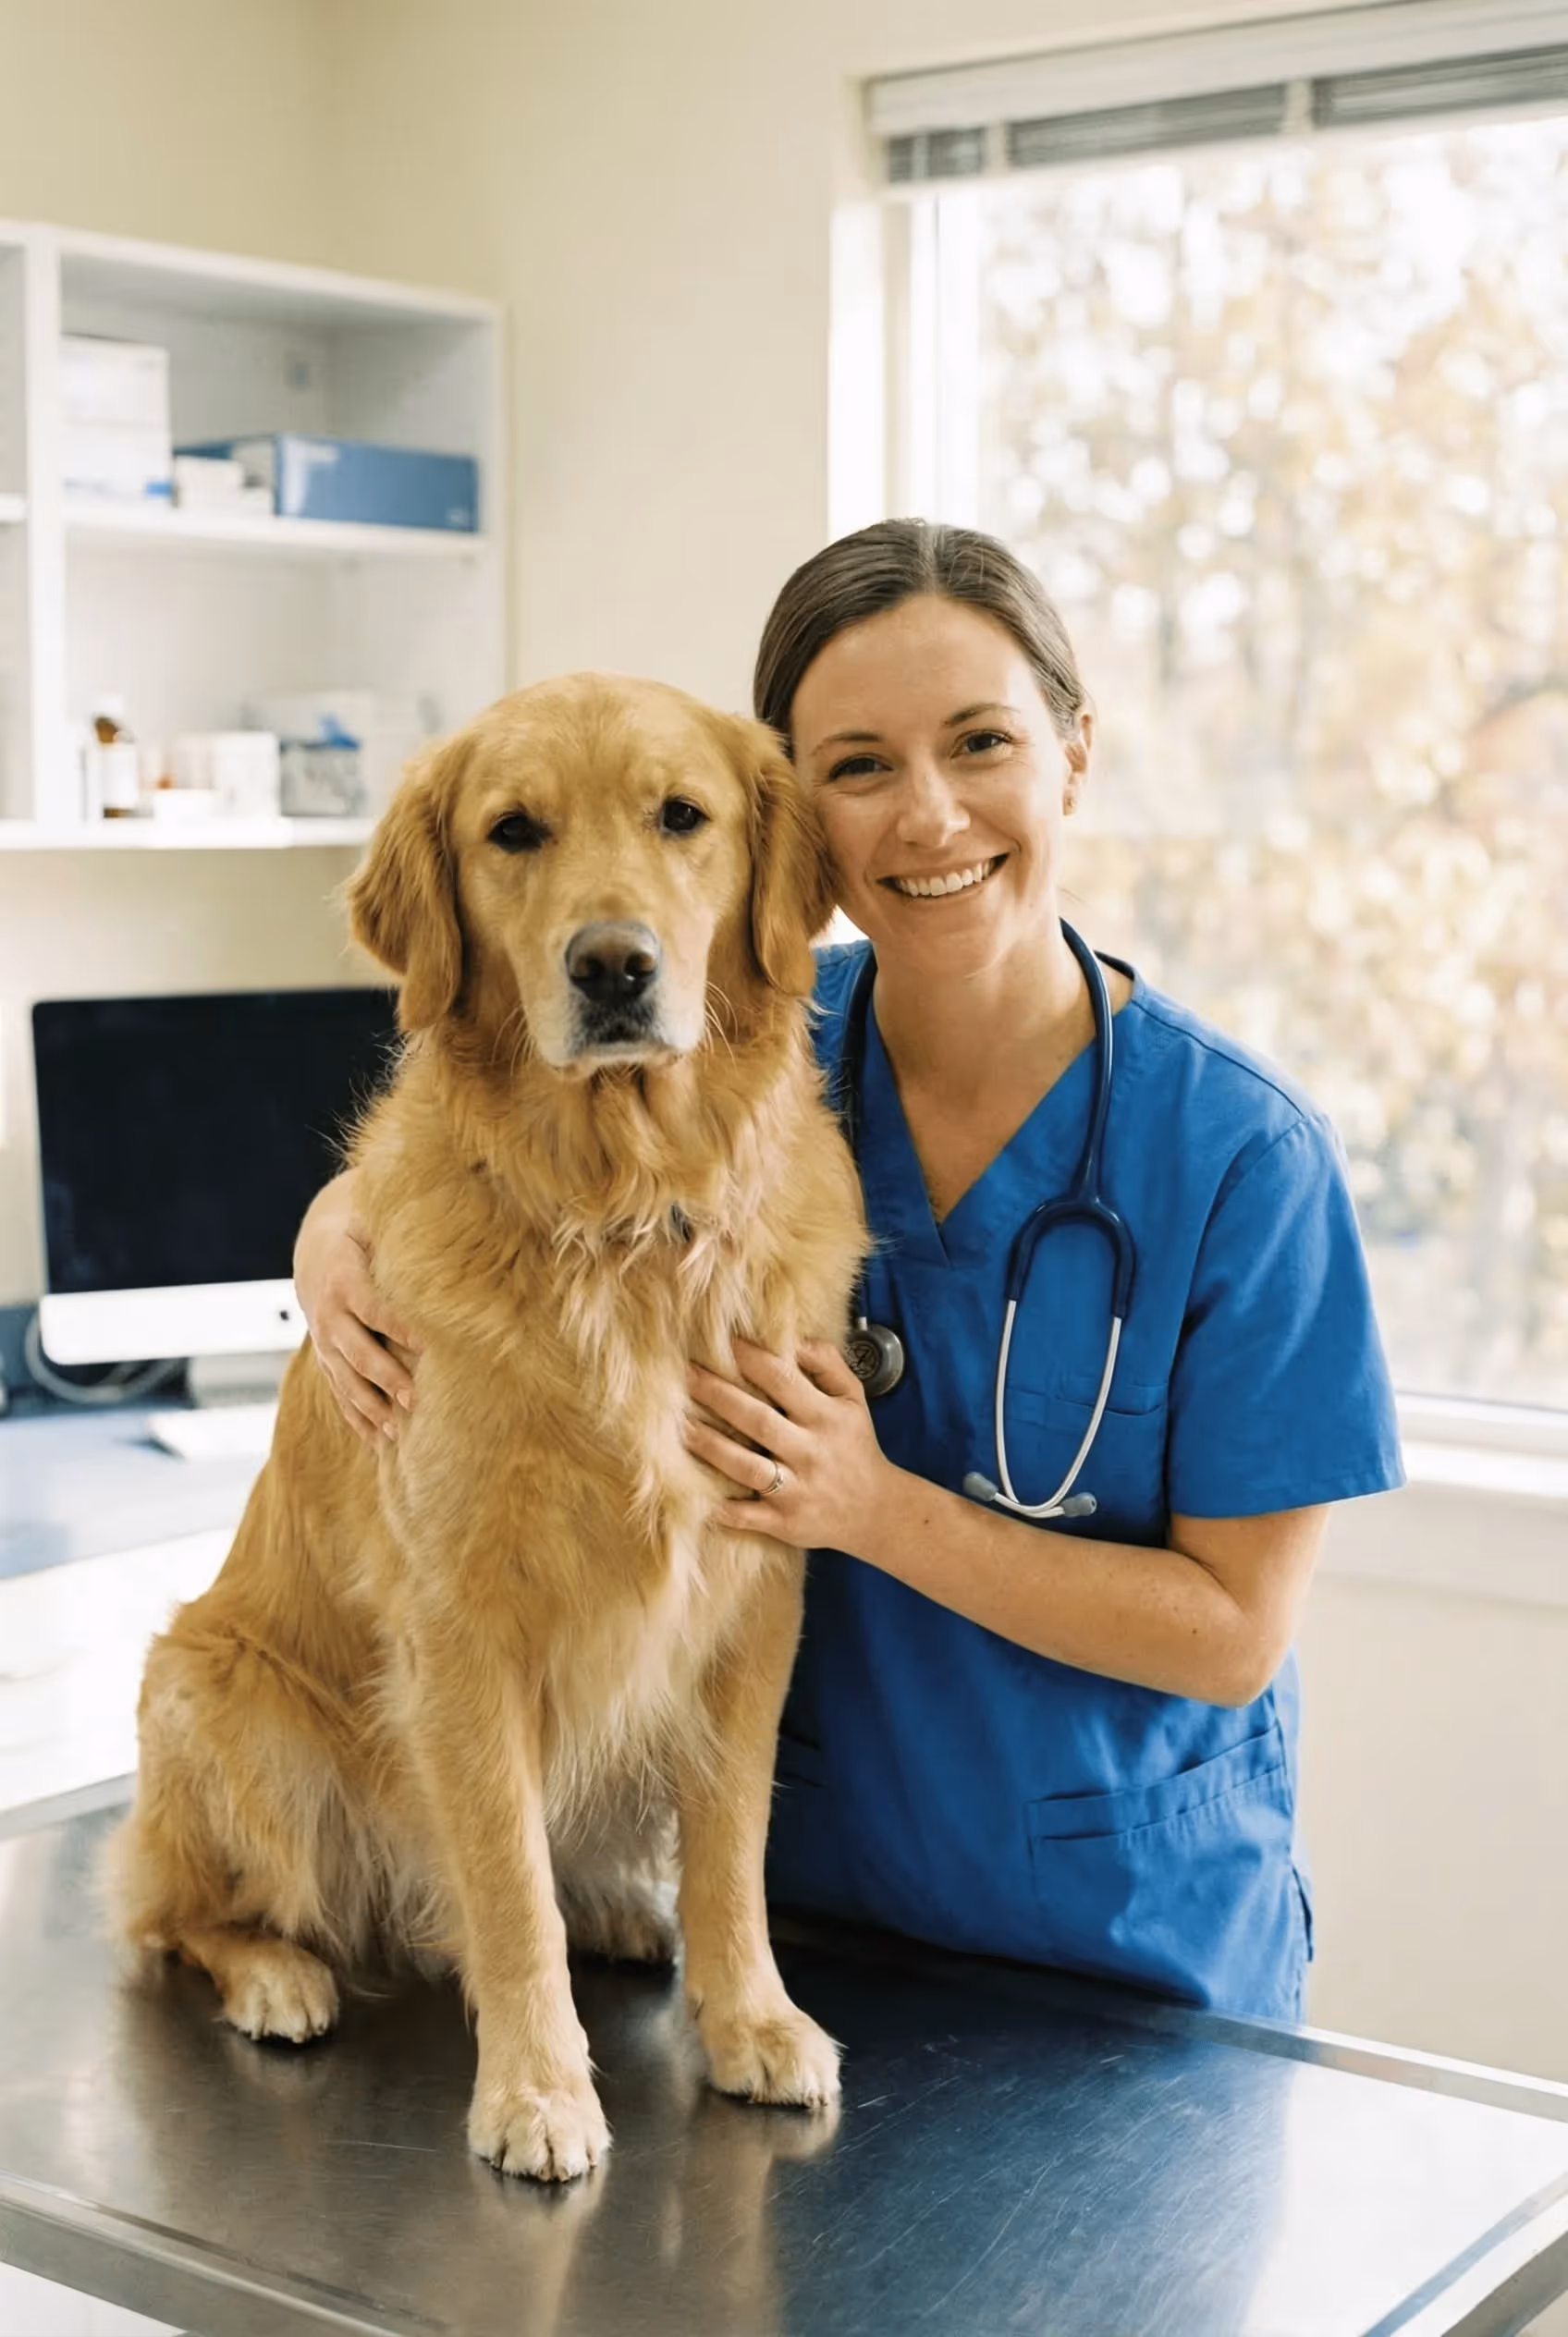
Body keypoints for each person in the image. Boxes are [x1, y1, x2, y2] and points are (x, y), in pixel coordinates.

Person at [294, 520, 1403, 2024]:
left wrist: (874, 1510)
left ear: (1074, 753)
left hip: (1133, 1959)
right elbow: (476, 1111)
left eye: (981, 743)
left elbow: (1233, 1636)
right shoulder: (749, 1028)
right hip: (806, 1944)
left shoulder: (1239, 1160)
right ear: (801, 822)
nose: (929, 814)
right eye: (863, 765)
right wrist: (333, 1228)